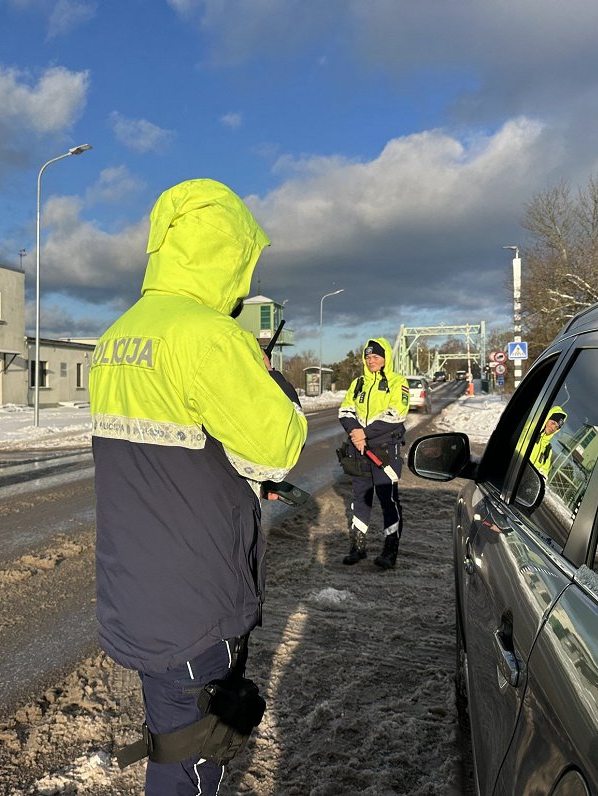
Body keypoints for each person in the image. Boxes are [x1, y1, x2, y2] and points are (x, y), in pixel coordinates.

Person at [89, 178, 308, 794]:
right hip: (197, 604)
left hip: (137, 588)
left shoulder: (116, 337)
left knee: (171, 737)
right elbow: (278, 449)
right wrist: (270, 382)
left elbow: (178, 453)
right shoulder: (211, 337)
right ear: (226, 252)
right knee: (194, 755)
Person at [338, 337, 409, 569]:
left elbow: (396, 414)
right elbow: (345, 411)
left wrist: (363, 434)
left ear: (385, 358)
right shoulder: (358, 383)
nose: (371, 360)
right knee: (360, 498)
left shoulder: (397, 382)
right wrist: (355, 432)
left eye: (376, 356)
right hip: (359, 450)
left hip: (385, 451)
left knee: (388, 499)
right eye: (368, 357)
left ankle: (390, 549)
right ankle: (358, 546)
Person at [529, 406, 567, 477]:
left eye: (557, 427)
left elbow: (544, 472)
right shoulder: (529, 431)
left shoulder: (548, 448)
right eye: (553, 423)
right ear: (547, 418)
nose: (553, 428)